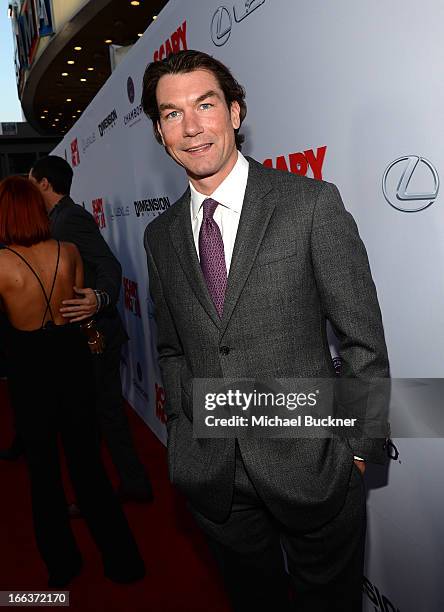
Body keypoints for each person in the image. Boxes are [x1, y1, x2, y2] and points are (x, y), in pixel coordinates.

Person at [141, 50, 390, 611]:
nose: (192, 126)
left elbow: (363, 343)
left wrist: (355, 452)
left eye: (205, 105)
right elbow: (171, 347)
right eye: (172, 114)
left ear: (235, 112)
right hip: (215, 480)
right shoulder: (160, 236)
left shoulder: (309, 205)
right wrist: (185, 429)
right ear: (160, 132)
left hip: (316, 469)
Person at [0, 176, 145, 587]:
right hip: (74, 364)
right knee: (89, 467)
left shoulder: (0, 264)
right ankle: (124, 563)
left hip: (30, 374)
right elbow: (81, 308)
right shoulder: (68, 251)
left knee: (43, 474)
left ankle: (63, 565)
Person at [28, 156, 153, 504]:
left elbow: (108, 263)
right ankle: (110, 487)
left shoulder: (71, 218)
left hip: (96, 333)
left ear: (44, 184)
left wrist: (99, 298)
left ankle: (130, 484)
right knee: (95, 415)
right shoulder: (56, 219)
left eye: (30, 179)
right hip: (82, 336)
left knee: (105, 414)